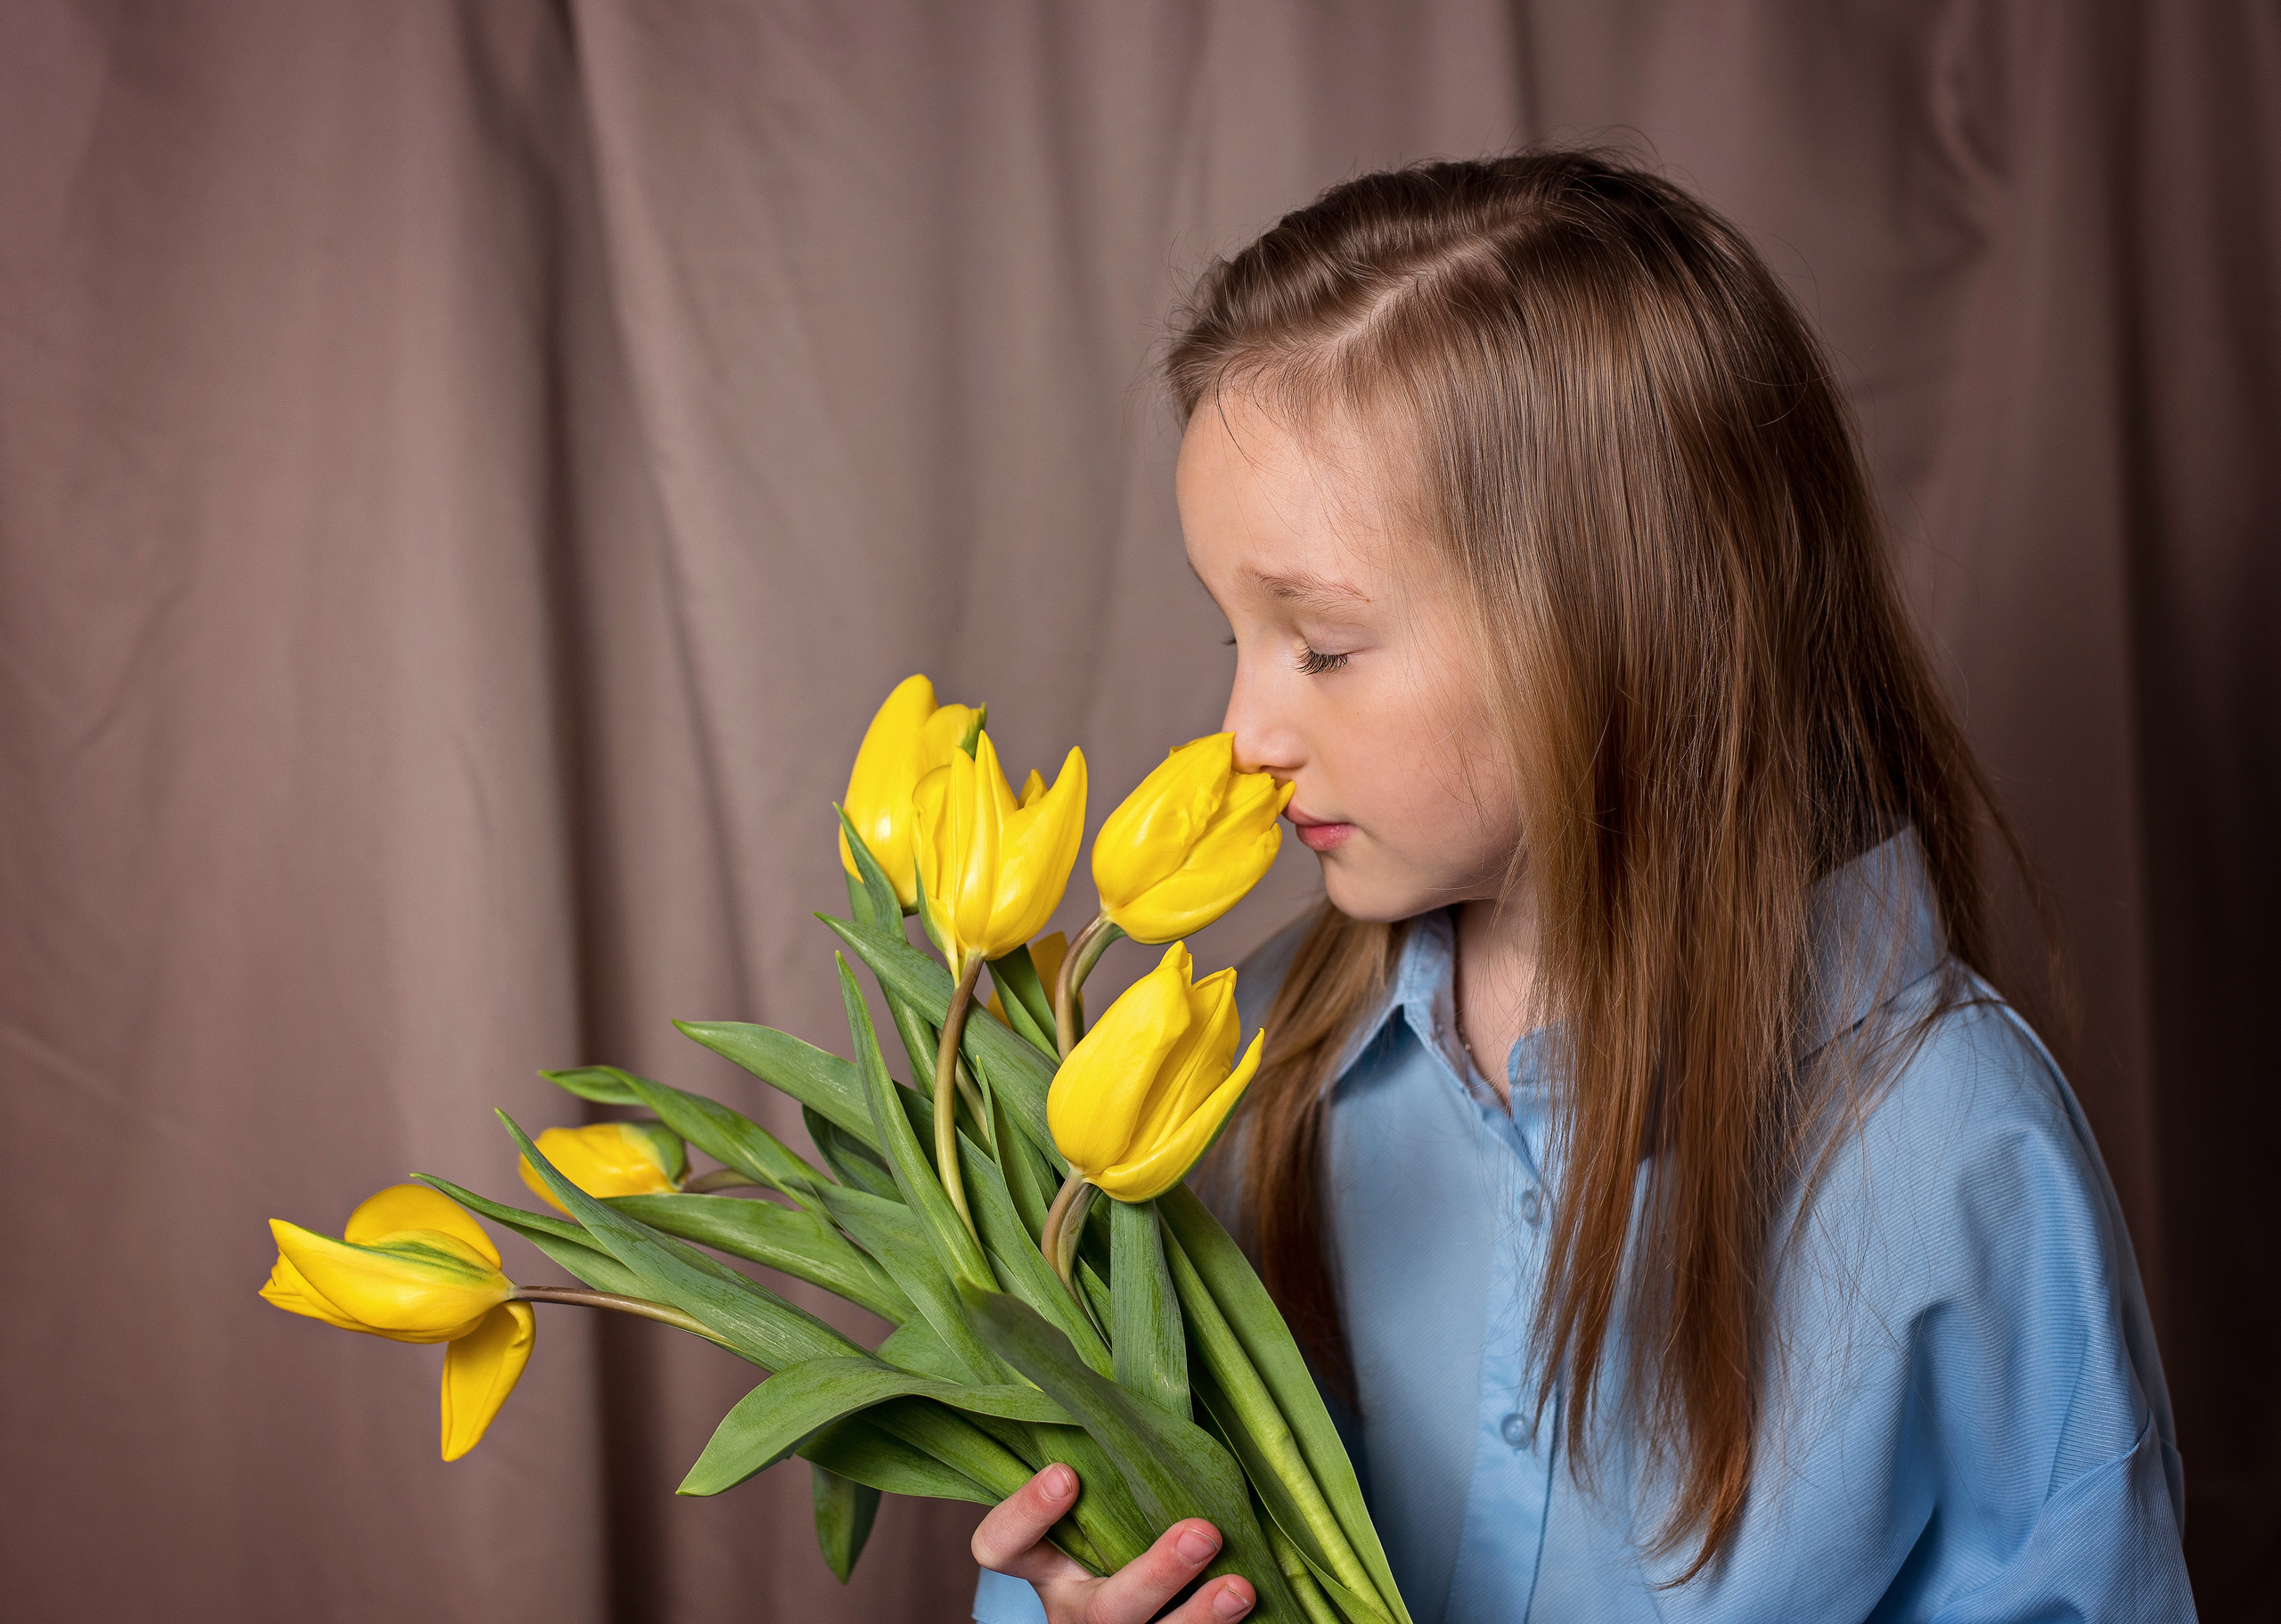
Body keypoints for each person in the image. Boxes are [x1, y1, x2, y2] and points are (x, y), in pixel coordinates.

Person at [969, 151, 2194, 1623]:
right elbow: (1128, 1536)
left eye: (1324, 645)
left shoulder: (1956, 1153)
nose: (1243, 738)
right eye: (1234, 635)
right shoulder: (1229, 1071)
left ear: (1615, 629)